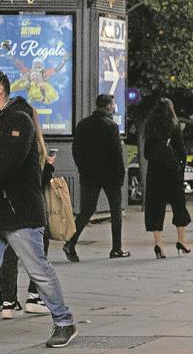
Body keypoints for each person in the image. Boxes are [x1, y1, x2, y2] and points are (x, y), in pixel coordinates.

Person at [0, 79, 77, 347]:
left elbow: (7, 165)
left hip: (19, 211)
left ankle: (64, 322)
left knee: (38, 270)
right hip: (2, 209)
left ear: (0, 87)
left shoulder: (19, 120)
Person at [63, 94, 129, 261]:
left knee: (86, 211)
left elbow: (76, 149)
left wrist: (82, 168)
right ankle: (116, 248)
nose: (114, 107)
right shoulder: (110, 126)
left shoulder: (83, 125)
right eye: (113, 104)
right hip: (110, 176)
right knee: (116, 210)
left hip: (89, 174)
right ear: (108, 106)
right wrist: (120, 174)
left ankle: (70, 242)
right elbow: (116, 153)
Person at [143, 98, 192, 259]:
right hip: (172, 172)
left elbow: (146, 153)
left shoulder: (149, 129)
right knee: (179, 205)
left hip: (155, 172)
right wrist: (179, 166)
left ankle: (158, 244)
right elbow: (181, 149)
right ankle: (181, 240)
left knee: (155, 207)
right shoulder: (174, 125)